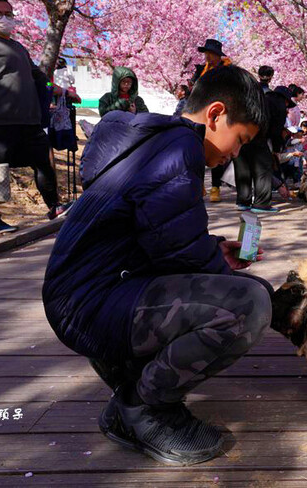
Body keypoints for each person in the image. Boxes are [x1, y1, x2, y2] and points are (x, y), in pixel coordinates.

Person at [43, 64, 271, 466]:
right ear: (216, 114)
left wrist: (215, 251)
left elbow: (159, 236)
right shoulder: (179, 147)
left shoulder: (153, 141)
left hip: (83, 297)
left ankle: (130, 383)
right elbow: (178, 251)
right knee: (249, 304)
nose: (236, 153)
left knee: (237, 292)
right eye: (241, 140)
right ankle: (142, 409)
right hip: (92, 306)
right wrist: (261, 300)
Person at [0, 0, 70, 233]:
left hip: (27, 120)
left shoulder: (18, 47)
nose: (4, 18)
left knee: (43, 163)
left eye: (8, 14)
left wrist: (59, 90)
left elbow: (37, 76)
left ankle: (55, 206)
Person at [233, 85, 294, 213]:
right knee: (263, 167)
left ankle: (243, 201)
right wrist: (276, 149)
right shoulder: (280, 105)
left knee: (243, 167)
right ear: (285, 99)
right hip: (258, 136)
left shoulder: (261, 98)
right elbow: (276, 130)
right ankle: (261, 203)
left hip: (239, 134)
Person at [191, 39, 230, 202]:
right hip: (200, 113)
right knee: (197, 149)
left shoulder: (227, 70)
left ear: (218, 55)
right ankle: (199, 185)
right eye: (206, 53)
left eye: (211, 54)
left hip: (218, 114)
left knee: (215, 150)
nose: (208, 57)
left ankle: (215, 187)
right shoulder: (200, 70)